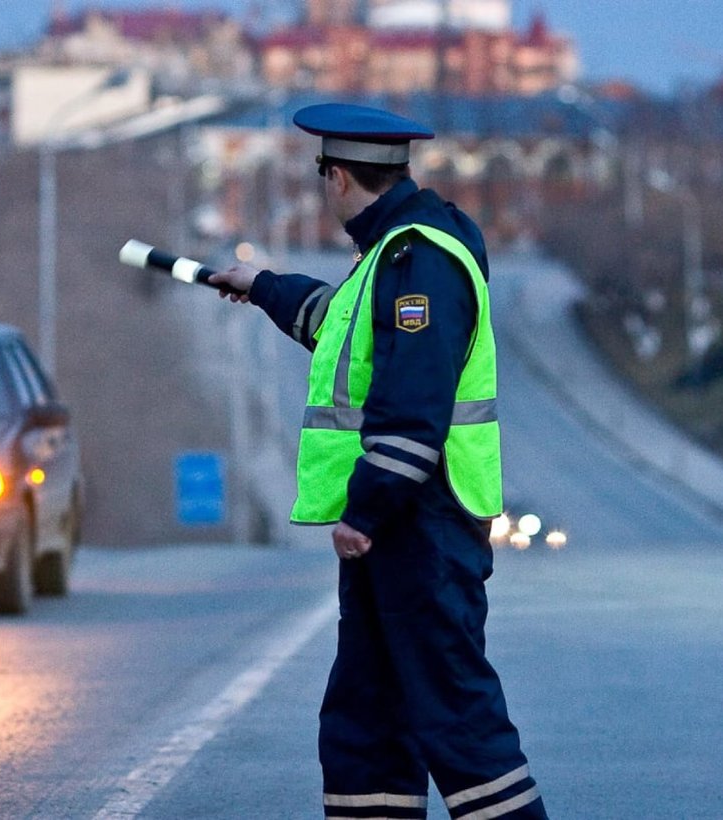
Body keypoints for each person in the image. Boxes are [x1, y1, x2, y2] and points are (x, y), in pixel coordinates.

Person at [208, 102, 547, 820]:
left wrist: (365, 512)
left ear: (335, 176)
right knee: (367, 720)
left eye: (321, 174)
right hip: (404, 527)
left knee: (457, 719)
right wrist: (262, 284)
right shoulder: (394, 253)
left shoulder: (418, 258)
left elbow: (412, 402)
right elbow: (342, 329)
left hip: (419, 523)